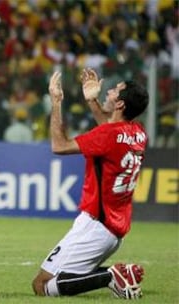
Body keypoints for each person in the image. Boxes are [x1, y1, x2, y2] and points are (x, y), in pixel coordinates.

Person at [32, 68, 149, 299]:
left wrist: (56, 102)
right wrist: (92, 100)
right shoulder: (138, 133)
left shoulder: (107, 135)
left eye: (116, 91)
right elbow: (110, 127)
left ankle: (112, 276)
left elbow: (59, 145)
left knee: (42, 285)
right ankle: (120, 275)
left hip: (94, 226)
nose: (110, 91)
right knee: (67, 278)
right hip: (115, 230)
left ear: (120, 105)